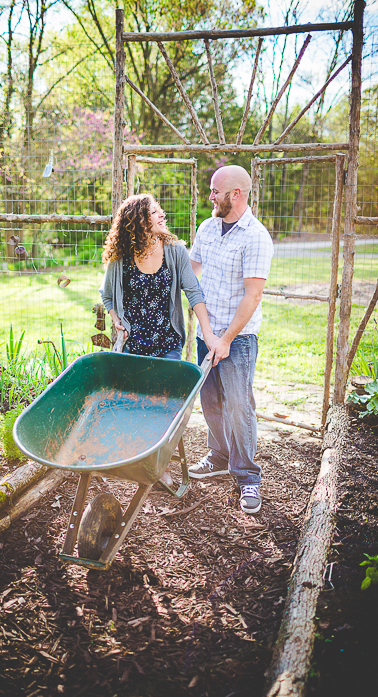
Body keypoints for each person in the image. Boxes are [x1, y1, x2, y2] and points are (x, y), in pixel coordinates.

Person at [187, 165, 274, 515]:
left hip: (238, 339)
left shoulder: (256, 237)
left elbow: (252, 296)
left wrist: (225, 339)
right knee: (210, 402)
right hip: (205, 334)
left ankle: (248, 475)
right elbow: (191, 275)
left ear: (235, 194)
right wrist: (206, 332)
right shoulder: (207, 228)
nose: (209, 197)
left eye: (215, 191)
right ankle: (220, 455)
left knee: (239, 405)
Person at [100, 193, 215, 360]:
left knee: (167, 386)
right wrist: (116, 319)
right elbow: (107, 294)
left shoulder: (175, 252)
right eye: (154, 212)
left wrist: (208, 334)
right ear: (138, 220)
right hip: (132, 345)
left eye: (159, 211)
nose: (162, 215)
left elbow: (194, 293)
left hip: (168, 344)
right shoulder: (121, 257)